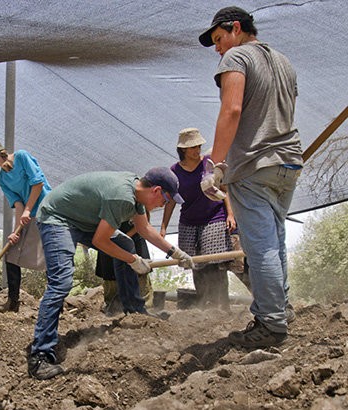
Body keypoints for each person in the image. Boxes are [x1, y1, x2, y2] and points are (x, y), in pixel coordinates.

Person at [199, 7, 303, 347]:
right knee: (275, 240)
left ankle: (271, 325)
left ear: (237, 28)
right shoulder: (284, 63)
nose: (217, 49)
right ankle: (280, 309)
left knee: (260, 249)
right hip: (287, 163)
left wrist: (215, 165)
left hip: (255, 166)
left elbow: (232, 110)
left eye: (218, 39)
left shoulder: (237, 58)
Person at [29, 167, 195, 380]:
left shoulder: (136, 196)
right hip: (57, 218)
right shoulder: (122, 198)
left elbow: (144, 230)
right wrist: (133, 260)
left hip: (81, 219)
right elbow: (100, 241)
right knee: (61, 280)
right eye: (166, 200)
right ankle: (40, 355)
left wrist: (175, 252)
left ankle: (135, 312)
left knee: (125, 242)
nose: (164, 206)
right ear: (156, 190)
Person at [160, 128, 235, 310]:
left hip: (214, 217)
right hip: (189, 221)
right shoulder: (174, 171)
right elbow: (170, 201)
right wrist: (163, 228)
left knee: (216, 262)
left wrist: (231, 215)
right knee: (195, 263)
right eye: (193, 147)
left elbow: (225, 191)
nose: (197, 150)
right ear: (183, 149)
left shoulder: (208, 165)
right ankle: (204, 304)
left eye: (199, 146)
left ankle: (222, 305)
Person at [0, 137, 51, 313]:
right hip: (28, 216)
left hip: (46, 212)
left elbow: (38, 184)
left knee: (50, 257)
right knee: (11, 252)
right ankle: (13, 302)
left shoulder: (22, 157)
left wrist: (28, 210)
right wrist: (14, 232)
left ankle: (55, 302)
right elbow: (18, 204)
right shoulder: (3, 178)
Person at [96, 219, 153, 315]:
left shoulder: (135, 205)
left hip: (134, 238)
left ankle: (145, 312)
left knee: (140, 275)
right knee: (111, 277)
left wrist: (124, 238)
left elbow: (143, 222)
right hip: (107, 240)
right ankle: (113, 312)